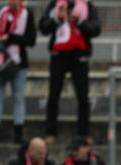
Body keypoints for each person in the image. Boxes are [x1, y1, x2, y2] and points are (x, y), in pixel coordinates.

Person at [39, 0, 101, 142]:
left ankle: (83, 133)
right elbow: (43, 27)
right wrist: (57, 19)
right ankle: (51, 132)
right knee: (53, 95)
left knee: (83, 97)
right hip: (58, 56)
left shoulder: (87, 6)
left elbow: (96, 29)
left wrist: (79, 22)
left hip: (79, 56)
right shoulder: (55, 4)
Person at [0, 0, 37, 144]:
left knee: (18, 97)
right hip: (0, 62)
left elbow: (31, 40)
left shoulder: (27, 14)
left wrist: (11, 38)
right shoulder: (0, 12)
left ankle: (19, 130)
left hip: (18, 63)